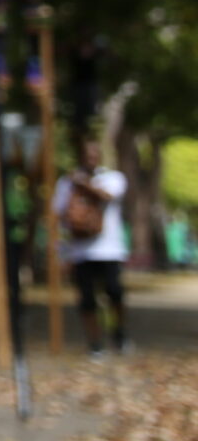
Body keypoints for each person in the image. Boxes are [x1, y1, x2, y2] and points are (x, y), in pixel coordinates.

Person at [54, 142, 131, 356]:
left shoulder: (113, 178)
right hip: (80, 251)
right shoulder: (65, 183)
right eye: (86, 155)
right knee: (87, 299)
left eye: (94, 154)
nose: (90, 158)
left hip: (110, 249)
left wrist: (83, 184)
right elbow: (58, 215)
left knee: (115, 292)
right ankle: (95, 342)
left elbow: (107, 196)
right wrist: (60, 251)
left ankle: (120, 332)